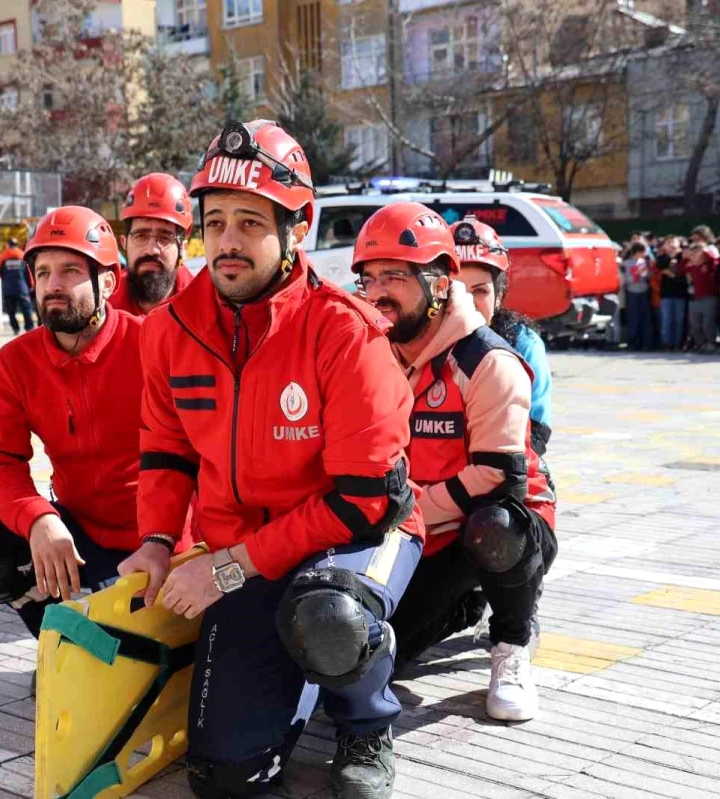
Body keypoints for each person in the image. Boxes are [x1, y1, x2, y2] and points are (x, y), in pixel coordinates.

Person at [118, 120, 421, 799]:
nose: (226, 241)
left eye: (251, 222)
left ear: (299, 227)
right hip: (245, 556)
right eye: (215, 220)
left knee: (328, 619)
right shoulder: (169, 330)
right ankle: (303, 672)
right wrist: (158, 540)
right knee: (225, 775)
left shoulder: (345, 331)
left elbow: (359, 499)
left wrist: (230, 567)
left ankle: (366, 722)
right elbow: (165, 449)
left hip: (355, 540)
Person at [352, 205, 556, 722]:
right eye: (369, 277)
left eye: (396, 276)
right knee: (369, 655)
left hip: (499, 520)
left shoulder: (489, 361)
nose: (378, 292)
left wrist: (405, 513)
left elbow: (497, 479)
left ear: (441, 283)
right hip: (420, 533)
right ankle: (466, 605)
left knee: (494, 528)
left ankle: (511, 644)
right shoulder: (374, 349)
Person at [0, 206, 152, 637]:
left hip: (159, 542)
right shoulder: (15, 362)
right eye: (42, 272)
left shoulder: (152, 345)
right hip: (77, 538)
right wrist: (38, 519)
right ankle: (61, 642)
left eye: (70, 270)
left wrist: (172, 541)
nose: (52, 285)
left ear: (109, 282)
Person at [452, 216, 554, 455]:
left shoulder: (522, 343)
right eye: (454, 289)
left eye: (480, 291)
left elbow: (537, 431)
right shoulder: (415, 343)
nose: (465, 301)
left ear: (498, 296)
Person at [110, 173, 196, 316]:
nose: (151, 250)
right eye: (141, 236)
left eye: (164, 237)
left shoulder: (206, 308)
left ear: (182, 247)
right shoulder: (104, 307)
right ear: (124, 243)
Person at [0, 237, 36, 334]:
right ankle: (29, 328)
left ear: (8, 245)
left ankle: (15, 328)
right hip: (22, 288)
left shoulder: (3, 256)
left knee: (11, 311)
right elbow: (30, 273)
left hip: (8, 289)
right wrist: (32, 285)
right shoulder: (22, 255)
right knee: (26, 310)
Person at [684, 241, 719, 351]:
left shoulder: (710, 264)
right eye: (692, 254)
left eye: (697, 254)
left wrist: (704, 251)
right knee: (695, 324)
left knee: (708, 323)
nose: (694, 257)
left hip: (709, 298)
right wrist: (687, 257)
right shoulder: (691, 266)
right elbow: (681, 269)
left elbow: (715, 260)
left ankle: (711, 343)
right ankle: (701, 344)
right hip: (695, 299)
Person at [656, 238, 689, 351]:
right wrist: (671, 259)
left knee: (679, 320)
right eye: (668, 243)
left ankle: (678, 344)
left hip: (680, 293)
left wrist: (672, 274)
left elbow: (683, 273)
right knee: (667, 320)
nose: (671, 244)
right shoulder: (662, 257)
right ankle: (667, 344)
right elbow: (660, 266)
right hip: (666, 294)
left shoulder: (683, 256)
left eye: (673, 242)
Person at [621, 242, 655, 351]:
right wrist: (635, 274)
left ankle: (647, 343)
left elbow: (648, 277)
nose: (645, 254)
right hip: (632, 293)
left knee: (646, 319)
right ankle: (633, 343)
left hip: (644, 292)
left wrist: (646, 273)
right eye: (643, 252)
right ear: (638, 252)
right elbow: (626, 280)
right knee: (633, 319)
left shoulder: (644, 262)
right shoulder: (626, 264)